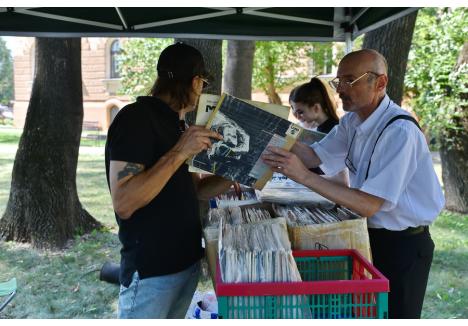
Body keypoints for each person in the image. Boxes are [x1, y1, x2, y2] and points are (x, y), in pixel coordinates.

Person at [262, 49, 444, 319]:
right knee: (364, 314)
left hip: (403, 245)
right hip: (370, 237)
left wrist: (302, 175)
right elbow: (316, 157)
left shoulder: (399, 132)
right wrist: (269, 132)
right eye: (338, 82)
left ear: (380, 83)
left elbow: (368, 204)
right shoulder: (352, 121)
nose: (340, 90)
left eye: (350, 80)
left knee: (395, 316)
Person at [105, 42, 233, 319]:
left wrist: (238, 172)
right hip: (152, 269)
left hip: (185, 262)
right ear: (197, 82)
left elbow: (196, 189)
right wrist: (180, 151)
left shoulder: (179, 125)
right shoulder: (135, 118)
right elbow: (124, 202)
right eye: (202, 84)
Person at [290, 77, 348, 185]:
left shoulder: (334, 132)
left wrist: (301, 176)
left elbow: (342, 181)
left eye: (300, 112)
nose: (297, 116)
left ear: (316, 108)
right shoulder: (313, 126)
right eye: (293, 110)